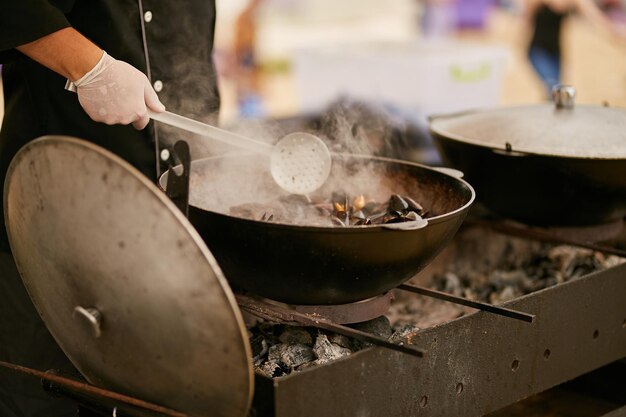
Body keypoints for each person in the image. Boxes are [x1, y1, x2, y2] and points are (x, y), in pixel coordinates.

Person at [0, 2, 220, 415]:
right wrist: (91, 67)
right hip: (50, 222)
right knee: (38, 395)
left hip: (171, 229)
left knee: (155, 396)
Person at [524, 0, 626, 97]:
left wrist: (616, 32)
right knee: (553, 86)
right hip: (538, 51)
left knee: (556, 89)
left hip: (557, 52)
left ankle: (549, 110)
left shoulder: (575, 1)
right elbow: (526, 20)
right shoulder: (539, 1)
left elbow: (597, 19)